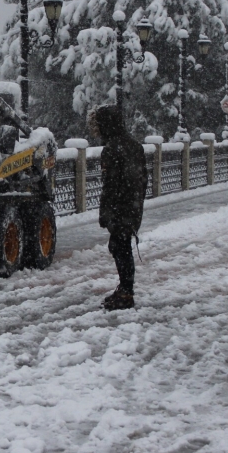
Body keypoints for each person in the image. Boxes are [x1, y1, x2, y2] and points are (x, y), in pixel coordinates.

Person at [89, 105, 147, 310]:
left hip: (120, 207)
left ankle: (126, 292)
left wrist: (106, 213)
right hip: (132, 205)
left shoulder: (112, 149)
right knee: (122, 246)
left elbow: (110, 185)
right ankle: (125, 289)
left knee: (120, 248)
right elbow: (143, 180)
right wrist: (137, 204)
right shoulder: (134, 146)